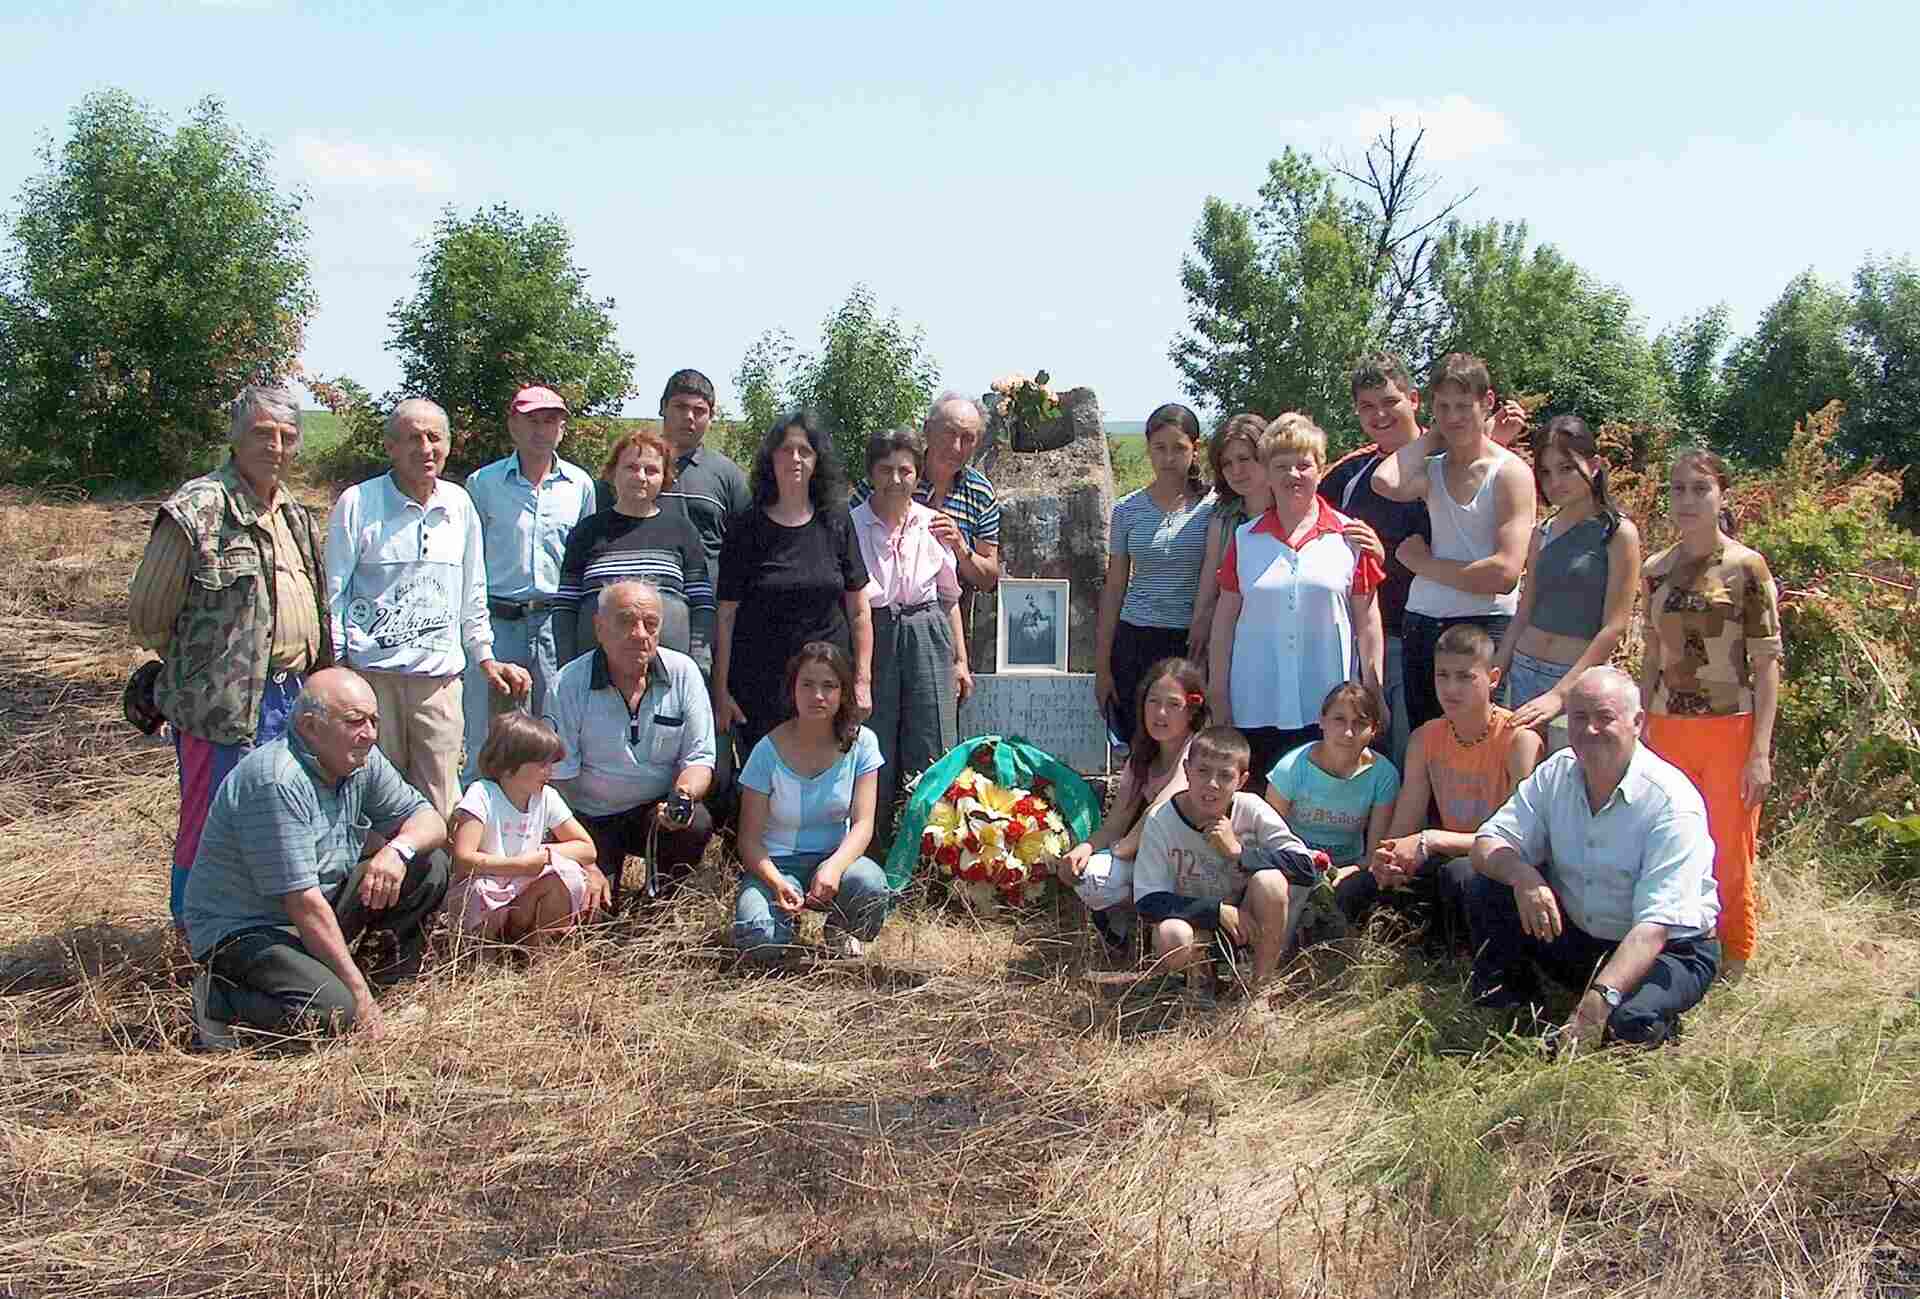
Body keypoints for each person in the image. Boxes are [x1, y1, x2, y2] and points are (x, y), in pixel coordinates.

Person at [129, 384, 331, 932]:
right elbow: (149, 613)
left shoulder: (295, 513)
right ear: (235, 437)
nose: (276, 446)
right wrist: (201, 671)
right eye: (263, 433)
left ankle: (258, 933)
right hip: (223, 707)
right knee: (211, 826)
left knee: (278, 824)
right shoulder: (199, 507)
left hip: (293, 699)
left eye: (287, 436)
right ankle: (195, 934)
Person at [182, 668, 449, 1048]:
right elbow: (302, 902)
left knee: (427, 864)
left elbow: (430, 821)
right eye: (355, 721)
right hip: (249, 928)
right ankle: (219, 996)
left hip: (317, 905)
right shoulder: (277, 780)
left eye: (374, 721)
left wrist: (397, 850)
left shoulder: (361, 760)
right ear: (310, 727)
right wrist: (358, 998)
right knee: (337, 1015)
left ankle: (385, 989)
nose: (370, 733)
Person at [1466, 667, 1721, 1050]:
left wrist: (1596, 1005)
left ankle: (1641, 1019)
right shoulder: (1557, 772)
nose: (1590, 730)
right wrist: (1523, 876)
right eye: (1579, 717)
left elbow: (1654, 927)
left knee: (1627, 1026)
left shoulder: (1671, 803)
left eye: (1605, 717)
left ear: (1637, 723)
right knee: (1488, 885)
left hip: (1666, 949)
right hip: (1585, 935)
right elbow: (1487, 842)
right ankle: (1514, 1009)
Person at [325, 398, 530, 816]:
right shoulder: (357, 503)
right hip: (371, 678)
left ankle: (437, 862)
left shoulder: (460, 505)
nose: (425, 448)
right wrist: (340, 665)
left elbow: (473, 590)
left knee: (440, 801)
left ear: (448, 445)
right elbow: (334, 592)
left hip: (438, 682)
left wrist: (484, 655)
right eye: (412, 438)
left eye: (434, 437)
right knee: (370, 798)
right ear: (390, 447)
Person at [1640, 448, 1782, 983]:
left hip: (1730, 728)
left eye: (1700, 489)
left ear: (1722, 496)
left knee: (1730, 849)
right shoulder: (1656, 569)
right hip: (1665, 729)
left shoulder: (1746, 567)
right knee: (1670, 843)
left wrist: (1759, 752)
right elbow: (1652, 654)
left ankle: (1735, 956)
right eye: (1678, 489)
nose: (1688, 500)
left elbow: (1766, 664)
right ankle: (1676, 946)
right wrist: (1640, 722)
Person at [1209, 414, 1385, 795]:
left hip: (1329, 706)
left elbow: (1369, 623)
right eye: (1281, 466)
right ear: (1267, 473)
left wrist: (1374, 691)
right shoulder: (1245, 538)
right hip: (1256, 702)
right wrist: (1218, 694)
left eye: (1303, 465)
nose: (1293, 475)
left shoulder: (1350, 538)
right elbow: (1223, 623)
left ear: (1321, 469)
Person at [1369, 353, 1534, 738]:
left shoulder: (1509, 473)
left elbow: (1504, 574)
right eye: (1443, 407)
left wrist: (1424, 565)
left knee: (1482, 742)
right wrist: (1433, 436)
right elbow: (1383, 481)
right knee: (1427, 742)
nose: (1453, 416)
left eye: (1463, 406)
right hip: (1422, 622)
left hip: (1484, 623)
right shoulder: (1432, 469)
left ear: (1487, 402)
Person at [1348, 624, 1542, 944]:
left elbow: (1520, 838)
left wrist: (1431, 839)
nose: (1451, 689)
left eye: (1465, 677)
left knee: (1460, 875)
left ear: (1493, 678)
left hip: (1500, 864)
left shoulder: (1519, 740)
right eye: (1443, 675)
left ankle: (1464, 953)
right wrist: (1387, 858)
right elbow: (1404, 828)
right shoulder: (1424, 738)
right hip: (1443, 854)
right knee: (1357, 890)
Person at [542, 579, 717, 905]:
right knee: (592, 916)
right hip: (589, 817)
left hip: (654, 811)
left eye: (651, 623)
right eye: (626, 622)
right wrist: (585, 861)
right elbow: (558, 784)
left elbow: (699, 759)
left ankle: (659, 903)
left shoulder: (684, 672)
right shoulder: (566, 685)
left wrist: (682, 797)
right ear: (599, 628)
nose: (640, 634)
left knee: (696, 822)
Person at [714, 411, 874, 760]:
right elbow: (725, 615)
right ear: (771, 458)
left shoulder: (837, 521)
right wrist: (721, 690)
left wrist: (862, 681)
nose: (795, 458)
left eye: (805, 451)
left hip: (827, 687)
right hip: (760, 688)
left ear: (818, 461)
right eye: (786, 450)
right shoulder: (745, 527)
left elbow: (859, 610)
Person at [461, 385, 597, 785]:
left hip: (555, 624)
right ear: (513, 426)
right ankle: (479, 815)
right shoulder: (483, 484)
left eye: (550, 421)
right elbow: (468, 559)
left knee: (551, 730)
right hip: (498, 622)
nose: (541, 430)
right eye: (531, 420)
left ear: (562, 429)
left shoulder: (580, 486)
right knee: (488, 732)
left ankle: (543, 814)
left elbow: (584, 561)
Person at [1133, 726, 1325, 1006]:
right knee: (1172, 934)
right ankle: (1197, 983)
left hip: (1249, 924)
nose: (1212, 784)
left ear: (1242, 780)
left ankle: (1259, 990)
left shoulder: (1251, 809)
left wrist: (1239, 853)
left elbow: (1304, 867)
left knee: (1270, 881)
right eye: (1202, 771)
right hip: (1195, 924)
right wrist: (1217, 912)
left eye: (1225, 776)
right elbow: (1148, 901)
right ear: (1186, 770)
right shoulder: (1161, 819)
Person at [731, 643, 891, 961]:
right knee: (758, 938)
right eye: (807, 684)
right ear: (793, 690)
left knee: (871, 885)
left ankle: (840, 929)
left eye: (829, 686)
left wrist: (834, 867)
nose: (817, 695)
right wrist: (776, 883)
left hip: (836, 861)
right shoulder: (766, 751)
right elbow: (748, 841)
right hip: (776, 867)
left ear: (843, 693)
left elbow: (863, 824)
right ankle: (784, 926)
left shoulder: (862, 744)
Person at [850, 428, 973, 840]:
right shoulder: (851, 526)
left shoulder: (933, 524)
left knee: (932, 739)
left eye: (905, 470)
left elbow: (950, 597)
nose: (895, 479)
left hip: (928, 633)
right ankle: (872, 845)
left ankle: (930, 847)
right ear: (871, 473)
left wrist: (960, 661)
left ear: (917, 475)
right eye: (885, 470)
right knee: (875, 740)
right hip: (875, 633)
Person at [1318, 354, 1436, 768]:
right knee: (1365, 761)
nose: (1379, 415)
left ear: (1414, 399)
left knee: (1415, 758)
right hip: (1363, 639)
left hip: (1430, 637)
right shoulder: (1349, 473)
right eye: (1367, 406)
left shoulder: (1450, 464)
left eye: (1389, 402)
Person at [1493, 415, 1642, 737]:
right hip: (1521, 670)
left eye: (1566, 468)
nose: (1555, 482)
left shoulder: (1618, 533)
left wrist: (1559, 695)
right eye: (1546, 472)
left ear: (1595, 465)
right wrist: (1497, 667)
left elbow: (1614, 626)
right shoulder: (1542, 531)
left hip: (1575, 682)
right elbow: (1524, 610)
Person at [1054, 657, 1209, 951]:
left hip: (1193, 864)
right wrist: (1085, 847)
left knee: (1110, 871)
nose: (1160, 713)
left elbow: (1158, 811)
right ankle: (1136, 922)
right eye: (1153, 702)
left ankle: (1154, 920)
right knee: (1090, 874)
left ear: (1191, 710)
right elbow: (1116, 821)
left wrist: (1119, 850)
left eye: (1173, 704)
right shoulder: (1143, 754)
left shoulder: (1198, 751)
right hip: (1152, 858)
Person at [1094, 403, 1213, 747]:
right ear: (1148, 449)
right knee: (1141, 744)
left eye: (1179, 448)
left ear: (1195, 449)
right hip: (1135, 640)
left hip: (1190, 642)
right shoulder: (1126, 510)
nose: (1169, 458)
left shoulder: (1213, 508)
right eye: (1160, 448)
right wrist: (1102, 666)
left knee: (1187, 745)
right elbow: (1115, 587)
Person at [445, 711, 610, 946]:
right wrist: (519, 865)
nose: (549, 771)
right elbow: (463, 859)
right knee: (478, 891)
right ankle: (483, 955)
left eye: (550, 764)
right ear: (508, 765)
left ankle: (536, 950)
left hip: (523, 890)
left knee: (567, 877)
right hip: (487, 889)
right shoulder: (482, 794)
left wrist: (544, 854)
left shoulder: (546, 797)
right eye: (542, 764)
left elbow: (587, 849)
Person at [556, 427, 714, 671]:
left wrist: (698, 666)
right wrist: (567, 668)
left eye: (651, 470)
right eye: (631, 467)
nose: (641, 477)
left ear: (665, 477)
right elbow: (566, 607)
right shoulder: (587, 532)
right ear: (612, 472)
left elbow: (701, 604)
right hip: (595, 674)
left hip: (669, 675)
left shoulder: (682, 531)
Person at [855, 390, 1002, 595]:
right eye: (949, 433)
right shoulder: (887, 480)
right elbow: (844, 542)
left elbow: (988, 580)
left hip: (952, 609)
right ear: (927, 431)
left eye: (968, 438)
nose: (956, 447)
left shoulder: (981, 493)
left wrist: (960, 546)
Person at [1264, 683, 1401, 877]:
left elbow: (1375, 854)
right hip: (1294, 867)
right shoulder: (1290, 768)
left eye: (1360, 723)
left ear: (1374, 729)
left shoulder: (1384, 775)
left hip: (1352, 869)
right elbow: (1269, 840)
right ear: (1322, 721)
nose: (1348, 733)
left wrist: (1344, 875)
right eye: (1339, 720)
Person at [1186, 413, 1270, 667]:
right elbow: (1210, 577)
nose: (1236, 471)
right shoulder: (1223, 516)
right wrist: (1200, 622)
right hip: (1228, 636)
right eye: (1227, 463)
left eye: (1244, 459)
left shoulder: (1291, 514)